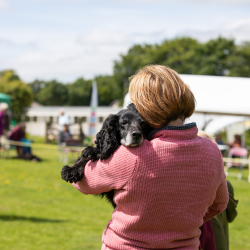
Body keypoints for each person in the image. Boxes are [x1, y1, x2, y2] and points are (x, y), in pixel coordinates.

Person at [72, 65, 229, 250]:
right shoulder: (212, 151)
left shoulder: (133, 155)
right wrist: (181, 225)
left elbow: (83, 183)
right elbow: (220, 204)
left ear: (147, 106)